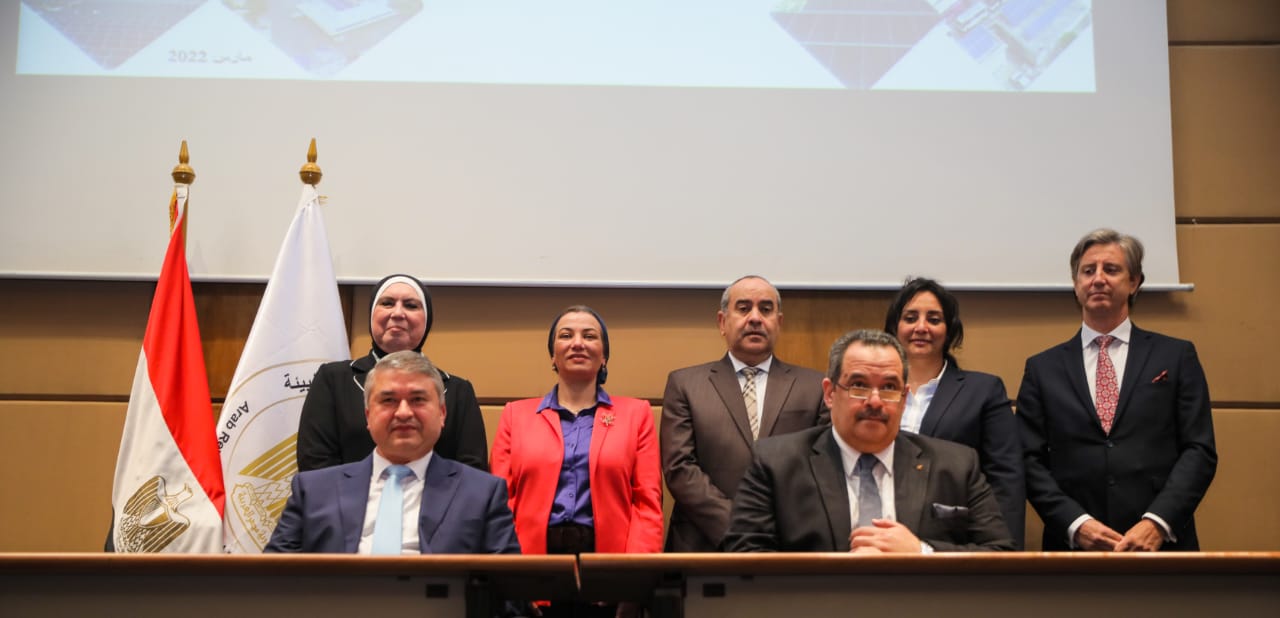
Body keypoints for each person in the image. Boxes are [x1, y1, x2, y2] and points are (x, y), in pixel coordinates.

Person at [723, 329, 1015, 553]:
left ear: (904, 398)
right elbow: (744, 557)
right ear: (830, 393)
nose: (875, 401)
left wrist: (922, 552)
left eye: (889, 387)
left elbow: (1000, 553)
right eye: (859, 385)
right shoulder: (776, 463)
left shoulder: (956, 465)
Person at [1018, 229, 1217, 551]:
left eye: (1110, 269)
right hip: (1072, 547)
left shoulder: (1176, 356)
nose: (1098, 279)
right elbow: (1027, 458)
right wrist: (1075, 523)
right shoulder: (1042, 368)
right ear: (1076, 284)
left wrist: (1158, 523)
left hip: (1162, 546)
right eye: (1088, 271)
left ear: (1134, 282)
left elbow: (1199, 450)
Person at [490, 306, 663, 616]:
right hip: (532, 571)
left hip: (610, 573)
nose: (578, 343)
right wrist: (514, 578)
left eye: (590, 336)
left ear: (604, 356)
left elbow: (646, 505)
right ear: (553, 356)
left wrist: (634, 583)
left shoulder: (636, 415)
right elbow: (502, 505)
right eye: (566, 335)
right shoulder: (516, 415)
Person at [265, 351, 520, 554]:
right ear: (368, 415)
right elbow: (270, 581)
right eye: (388, 400)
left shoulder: (482, 493)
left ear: (442, 414)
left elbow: (510, 591)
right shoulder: (313, 490)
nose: (404, 413)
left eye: (418, 400)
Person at [661, 275, 828, 552]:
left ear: (779, 322)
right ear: (722, 322)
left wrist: (775, 529)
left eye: (766, 309)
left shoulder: (815, 386)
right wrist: (739, 528)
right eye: (743, 308)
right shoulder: (685, 384)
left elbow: (822, 468)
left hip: (787, 545)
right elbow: (680, 468)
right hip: (703, 545)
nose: (755, 318)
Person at [883, 277, 1025, 547]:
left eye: (934, 319)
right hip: (877, 529)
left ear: (949, 330)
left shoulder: (984, 390)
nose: (921, 327)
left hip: (953, 540)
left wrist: (1006, 552)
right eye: (910, 318)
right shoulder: (874, 391)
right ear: (894, 327)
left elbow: (1006, 479)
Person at [297, 274, 488, 471]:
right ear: (371, 314)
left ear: (427, 319)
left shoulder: (458, 391)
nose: (397, 313)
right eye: (387, 303)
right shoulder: (333, 380)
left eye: (411, 305)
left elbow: (472, 471)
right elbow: (315, 463)